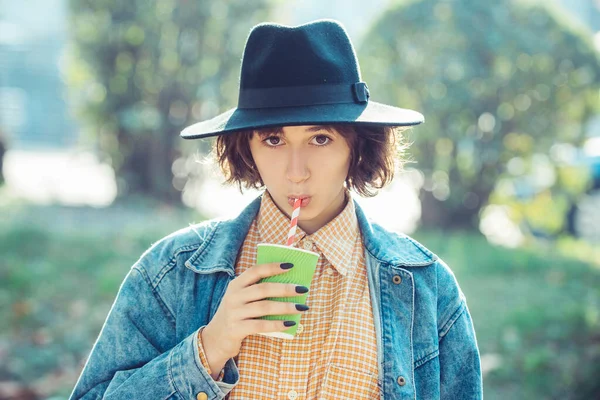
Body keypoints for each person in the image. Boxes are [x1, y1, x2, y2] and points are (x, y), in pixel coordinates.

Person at [70, 19, 482, 399]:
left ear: (356, 144)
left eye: (320, 139)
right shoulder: (171, 273)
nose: (296, 172)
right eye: (273, 140)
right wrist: (208, 349)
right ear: (246, 146)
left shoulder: (428, 289)